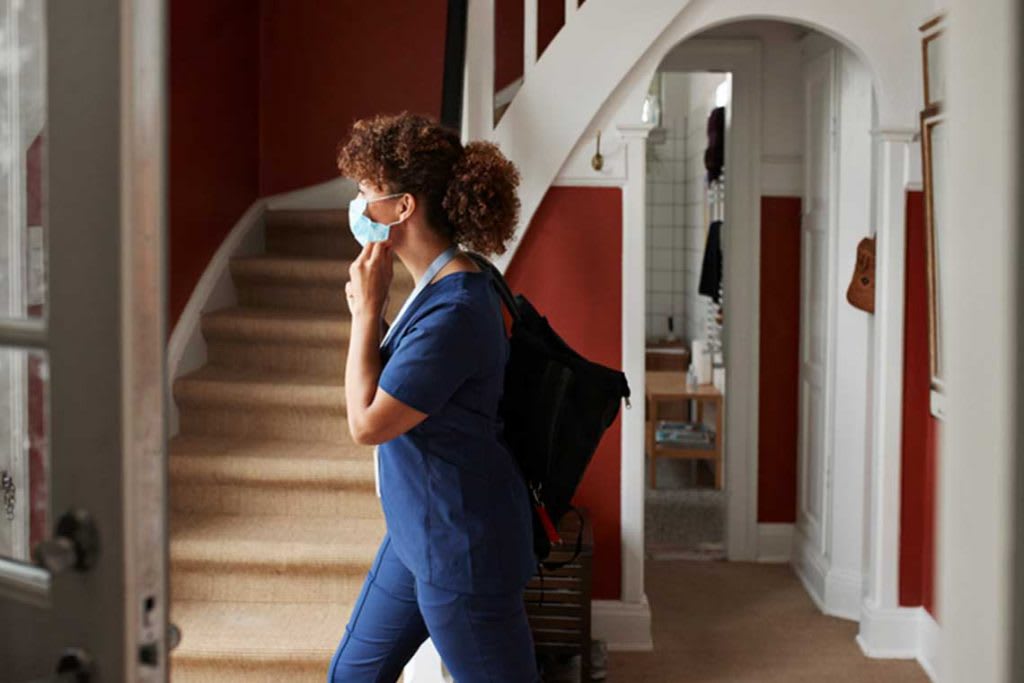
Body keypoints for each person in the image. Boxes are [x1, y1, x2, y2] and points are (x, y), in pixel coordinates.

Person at [326, 111, 541, 683]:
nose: (358, 203)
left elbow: (367, 423)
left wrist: (367, 312)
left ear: (402, 208)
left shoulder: (457, 308)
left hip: (461, 550)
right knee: (351, 676)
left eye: (367, 191)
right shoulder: (441, 285)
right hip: (415, 530)